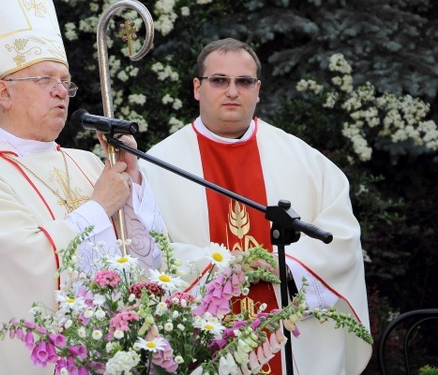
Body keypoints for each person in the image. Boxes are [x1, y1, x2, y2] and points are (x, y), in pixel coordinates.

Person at [0, 0, 164, 374]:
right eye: (45, 80)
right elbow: (23, 270)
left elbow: (148, 260)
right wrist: (97, 208)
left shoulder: (89, 162)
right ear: (3, 91)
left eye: (65, 81)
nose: (61, 92)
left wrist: (134, 176)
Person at [140, 38, 372, 373]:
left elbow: (341, 237)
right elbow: (144, 253)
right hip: (204, 338)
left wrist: (286, 265)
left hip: (293, 342)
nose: (232, 91)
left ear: (258, 89)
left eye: (244, 82)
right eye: (219, 80)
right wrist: (225, 268)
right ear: (197, 88)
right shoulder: (156, 165)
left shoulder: (304, 161)